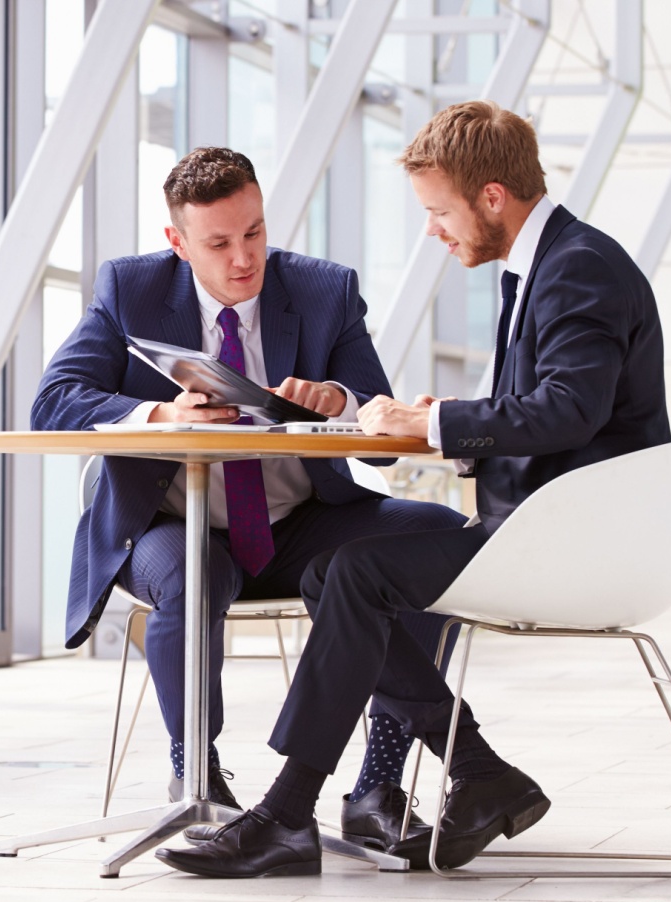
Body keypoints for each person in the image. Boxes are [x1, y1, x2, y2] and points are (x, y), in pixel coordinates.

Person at [156, 101, 671, 878]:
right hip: (560, 527)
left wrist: (437, 427)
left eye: (439, 211)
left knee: (355, 573)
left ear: (491, 197)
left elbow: (570, 411)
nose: (435, 230)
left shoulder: (578, 268)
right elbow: (556, 412)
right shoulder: (551, 263)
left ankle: (289, 814)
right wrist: (437, 422)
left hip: (579, 543)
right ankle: (474, 771)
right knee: (341, 572)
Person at [33, 146, 469, 848]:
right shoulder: (132, 289)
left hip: (300, 525)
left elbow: (379, 428)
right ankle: (197, 776)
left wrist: (342, 402)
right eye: (220, 242)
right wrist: (161, 415)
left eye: (255, 233)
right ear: (177, 243)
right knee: (192, 575)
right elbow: (53, 402)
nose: (244, 258)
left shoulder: (324, 291)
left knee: (430, 537)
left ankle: (377, 785)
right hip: (175, 526)